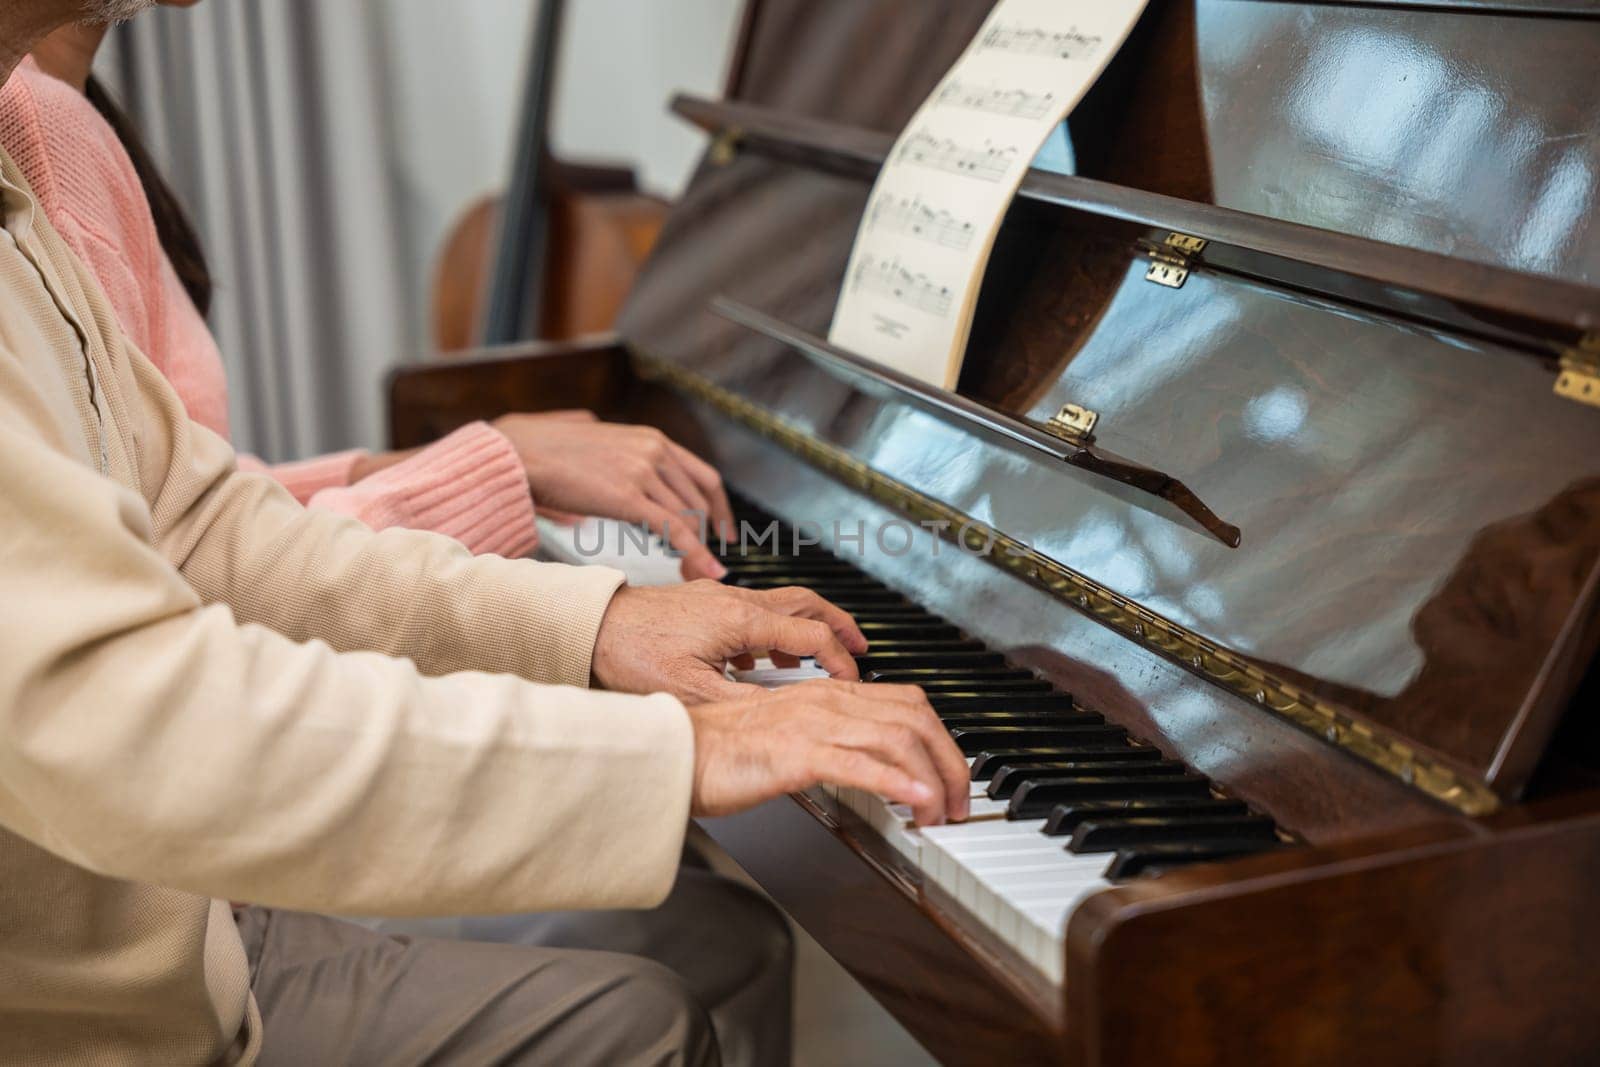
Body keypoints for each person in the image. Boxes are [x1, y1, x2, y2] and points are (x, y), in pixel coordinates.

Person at [0, 5, 973, 1066]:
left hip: (164, 939)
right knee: (644, 1017)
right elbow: (132, 717)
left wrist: (598, 622)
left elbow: (205, 526)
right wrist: (677, 751)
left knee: (680, 965)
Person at [16, 3, 739, 582]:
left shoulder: (62, 117)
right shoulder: (42, 126)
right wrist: (496, 470)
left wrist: (479, 455)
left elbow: (199, 500)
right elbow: (191, 573)